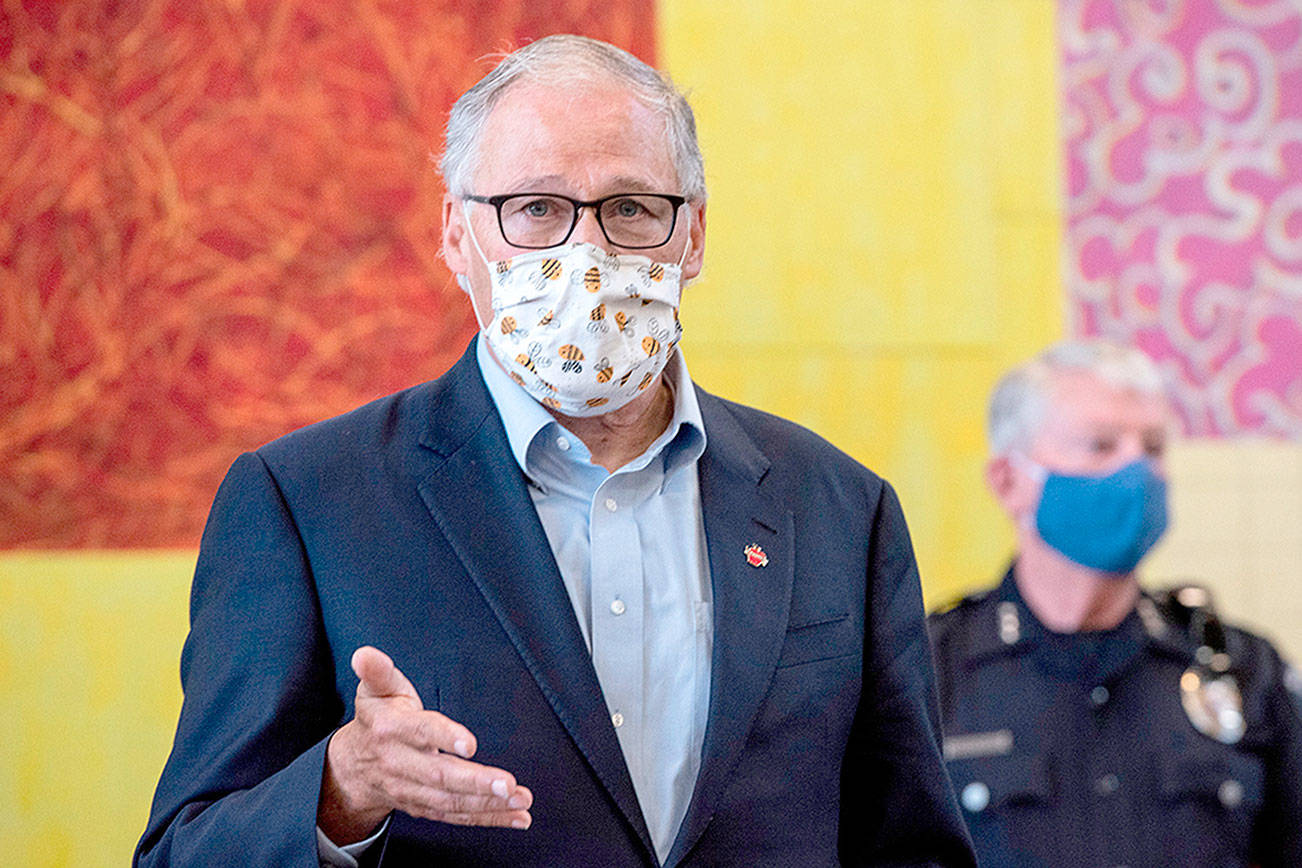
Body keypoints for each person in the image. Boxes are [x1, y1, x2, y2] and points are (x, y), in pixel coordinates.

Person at [135, 35, 975, 867]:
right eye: (536, 209)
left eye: (632, 209)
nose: (587, 253)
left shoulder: (836, 506)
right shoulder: (307, 502)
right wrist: (340, 789)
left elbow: (912, 846)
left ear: (694, 238)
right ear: (458, 237)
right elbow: (185, 851)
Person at [928, 340, 1302, 867]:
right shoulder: (928, 672)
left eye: (1152, 447)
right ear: (1010, 481)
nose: (1138, 469)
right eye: (1102, 445)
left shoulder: (1242, 670)